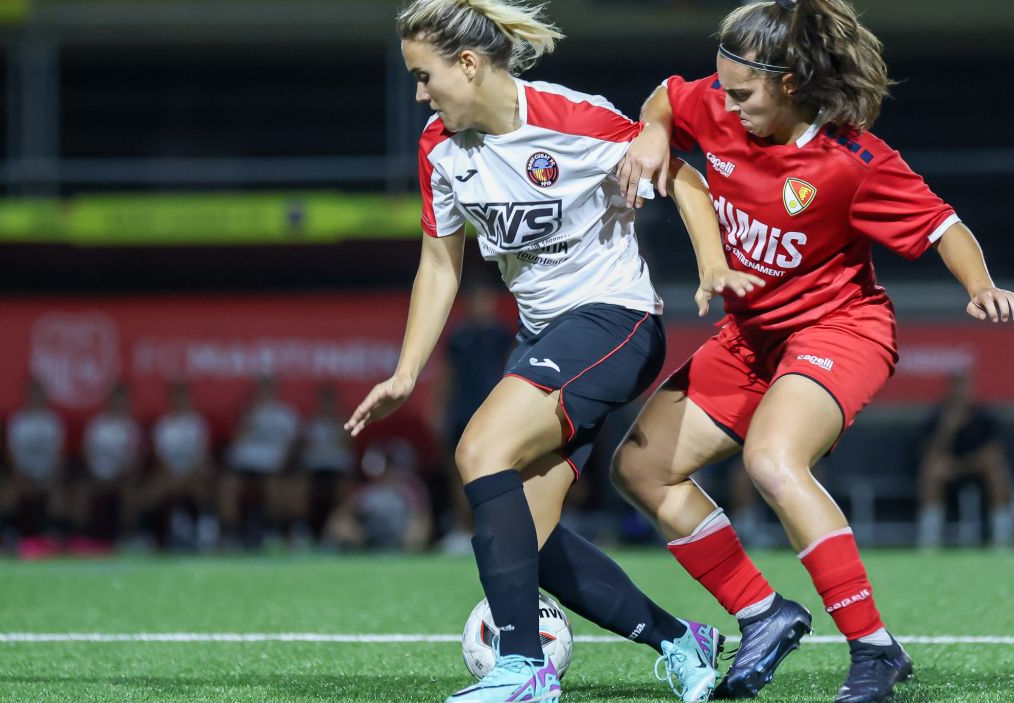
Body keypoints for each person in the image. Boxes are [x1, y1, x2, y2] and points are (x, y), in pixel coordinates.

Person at [344, 2, 762, 701]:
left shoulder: (575, 119)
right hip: (544, 338)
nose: (419, 93)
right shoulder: (437, 148)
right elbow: (440, 265)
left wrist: (711, 265)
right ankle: (679, 639)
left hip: (615, 321)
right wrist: (406, 370)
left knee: (480, 451)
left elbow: (684, 178)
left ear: (469, 65)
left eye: (424, 76)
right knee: (523, 541)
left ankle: (522, 668)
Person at [612, 1, 1014, 701]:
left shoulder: (851, 161)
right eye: (722, 87)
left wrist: (980, 284)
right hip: (751, 337)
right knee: (642, 468)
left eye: (743, 92)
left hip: (840, 329)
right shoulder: (718, 101)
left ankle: (874, 648)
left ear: (792, 80)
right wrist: (654, 131)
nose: (726, 102)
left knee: (772, 460)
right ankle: (763, 613)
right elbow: (667, 96)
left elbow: (943, 225)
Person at [438, 282, 515, 552]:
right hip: (462, 412)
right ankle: (463, 530)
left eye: (486, 299)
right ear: (467, 303)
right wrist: (438, 411)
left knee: (496, 474)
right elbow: (446, 379)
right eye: (476, 299)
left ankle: (494, 531)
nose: (481, 305)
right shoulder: (458, 338)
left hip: (493, 413)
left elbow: (511, 373)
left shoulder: (503, 336)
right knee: (459, 475)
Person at [916, 371, 1014, 549]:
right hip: (949, 471)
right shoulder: (937, 416)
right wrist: (948, 429)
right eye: (956, 387)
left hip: (976, 469)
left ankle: (1003, 537)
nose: (960, 392)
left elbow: (994, 451)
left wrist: (969, 464)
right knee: (933, 470)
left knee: (995, 468)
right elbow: (930, 454)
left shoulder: (983, 416)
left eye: (964, 387)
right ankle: (929, 540)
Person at [223, 375, 300, 548]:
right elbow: (236, 439)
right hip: (245, 465)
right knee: (228, 486)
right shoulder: (247, 412)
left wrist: (284, 464)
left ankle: (273, 530)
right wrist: (251, 415)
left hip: (273, 467)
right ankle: (231, 532)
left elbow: (293, 446)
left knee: (274, 485)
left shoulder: (286, 414)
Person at [0, 378, 68, 558]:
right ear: (26, 396)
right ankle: (9, 536)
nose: (36, 397)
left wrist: (48, 478)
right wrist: (20, 478)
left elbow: (58, 456)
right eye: (32, 393)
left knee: (58, 490)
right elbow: (10, 455)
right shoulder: (17, 420)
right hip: (22, 476)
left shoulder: (53, 421)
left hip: (46, 477)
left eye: (39, 393)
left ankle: (53, 536)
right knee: (8, 490)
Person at [145, 381, 215, 550]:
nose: (180, 400)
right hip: (169, 475)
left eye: (183, 397)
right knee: (148, 492)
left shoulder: (198, 424)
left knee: (204, 487)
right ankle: (143, 535)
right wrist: (174, 477)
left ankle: (208, 535)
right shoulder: (162, 425)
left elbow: (202, 455)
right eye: (177, 397)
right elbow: (159, 457)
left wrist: (186, 477)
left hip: (193, 475)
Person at [75, 382, 142, 553]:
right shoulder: (97, 426)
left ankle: (127, 536)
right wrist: (97, 477)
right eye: (115, 400)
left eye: (122, 400)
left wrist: (117, 479)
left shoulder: (132, 428)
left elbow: (134, 462)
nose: (118, 404)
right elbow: (87, 455)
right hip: (96, 477)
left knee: (130, 491)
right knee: (80, 490)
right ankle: (81, 535)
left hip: (120, 480)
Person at [299, 384, 355, 541]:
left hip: (338, 468)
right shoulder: (311, 424)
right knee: (301, 488)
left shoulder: (346, 422)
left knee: (342, 489)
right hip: (314, 468)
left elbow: (348, 445)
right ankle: (305, 528)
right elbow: (303, 447)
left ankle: (336, 529)